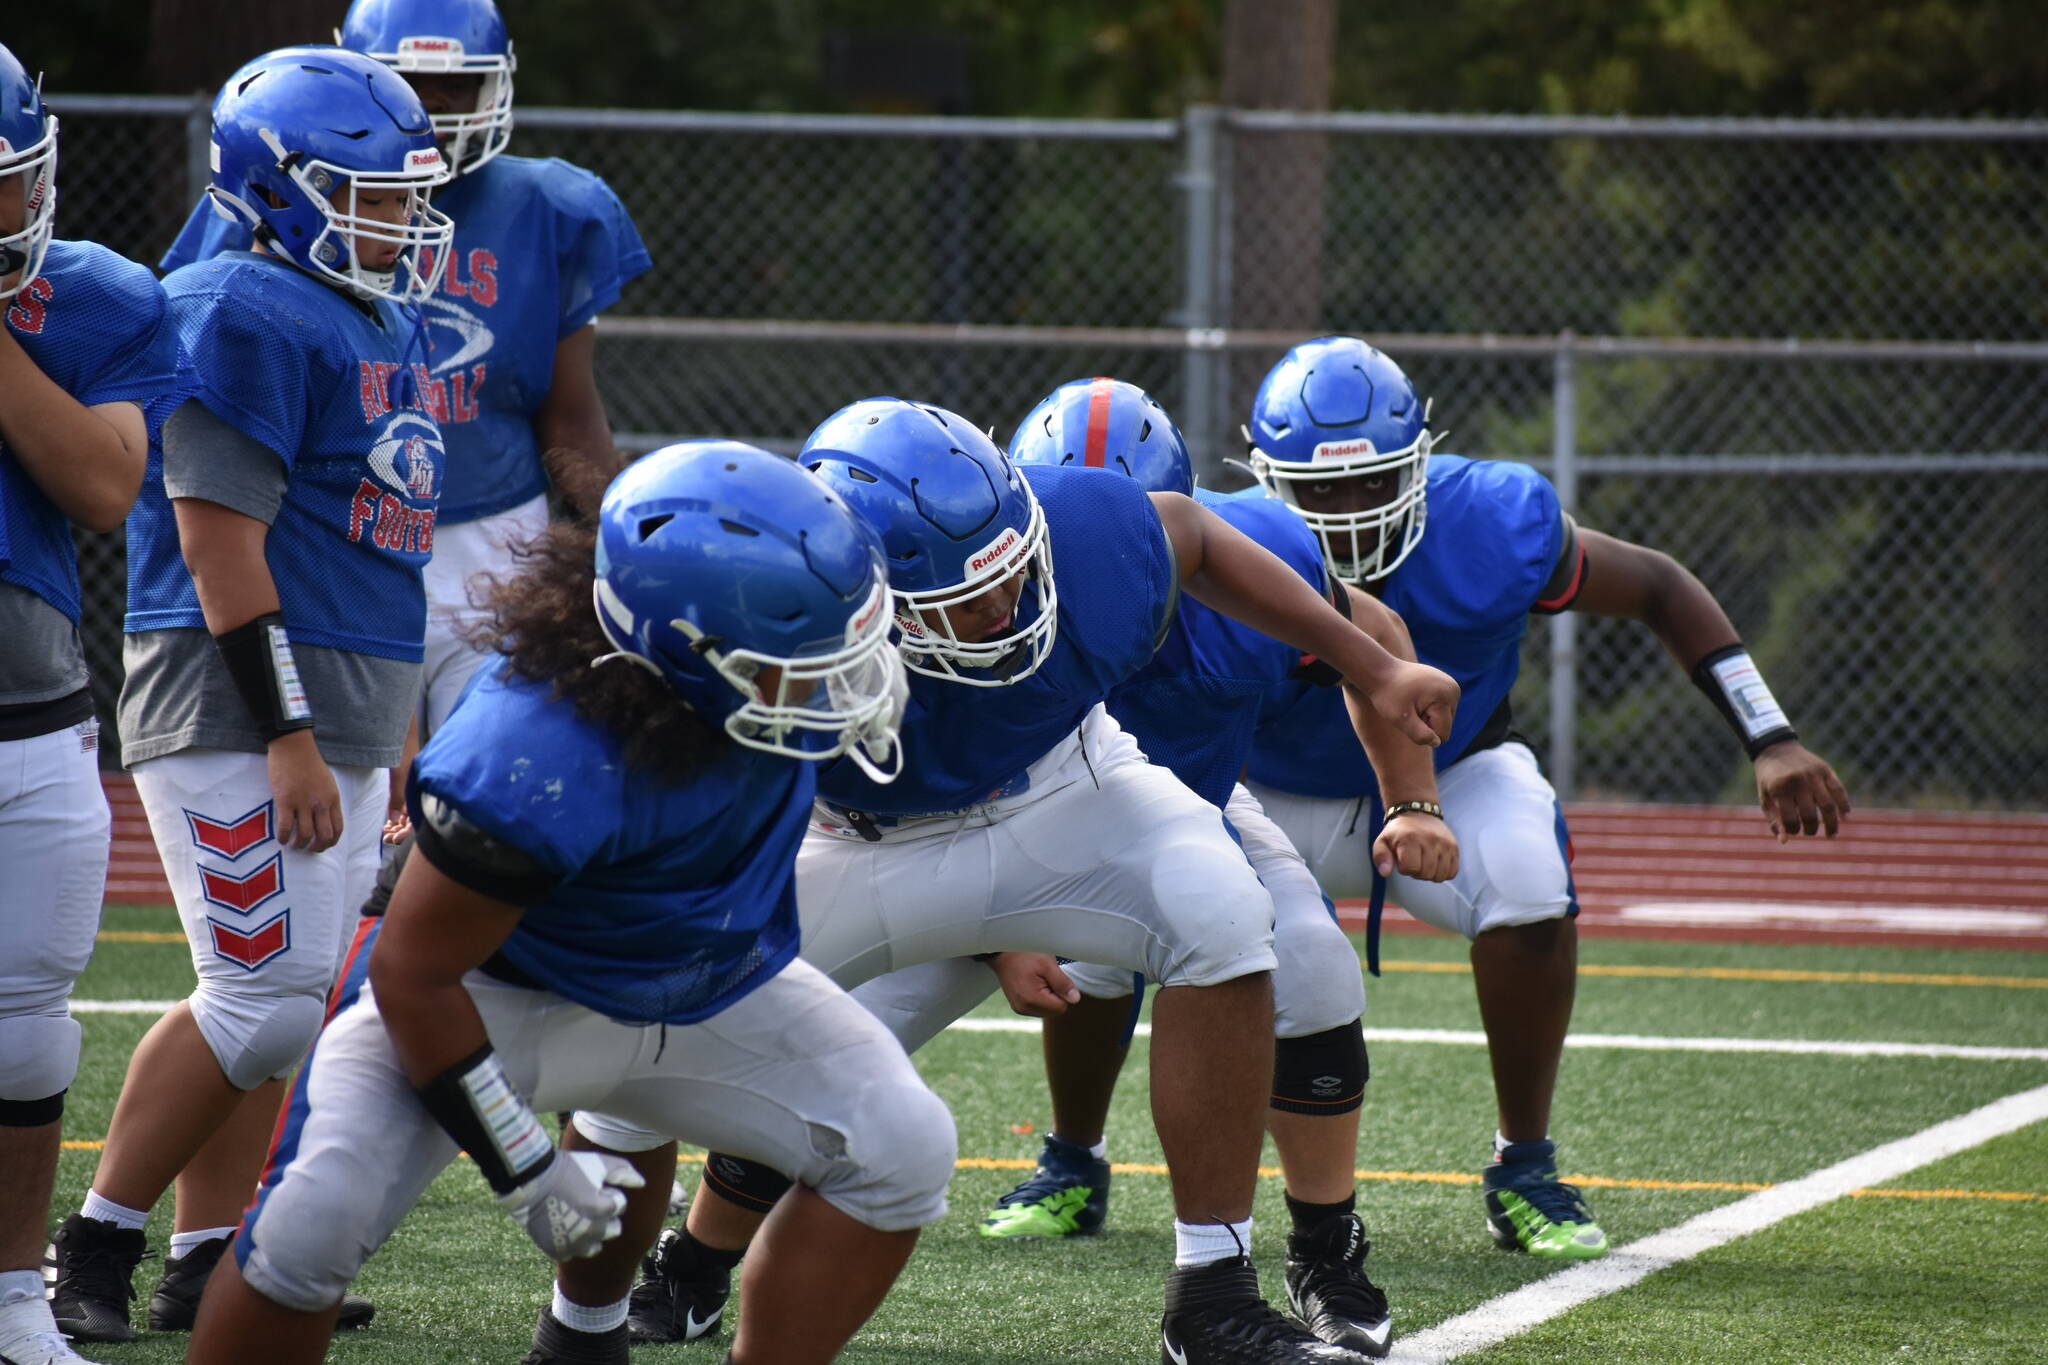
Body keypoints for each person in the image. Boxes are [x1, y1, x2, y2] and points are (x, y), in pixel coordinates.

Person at [568, 397, 1459, 1365]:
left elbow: (1191, 535)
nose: (1005, 610)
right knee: (638, 1048)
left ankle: (1212, 1296)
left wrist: (1372, 670)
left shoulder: (1083, 534)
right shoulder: (779, 615)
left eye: (1012, 570)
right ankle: (589, 1324)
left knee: (1221, 907)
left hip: (1059, 784)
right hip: (861, 838)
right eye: (967, 599)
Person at [181, 440, 951, 1365]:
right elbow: (415, 975)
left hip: (700, 977)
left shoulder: (737, 673)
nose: (848, 682)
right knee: (310, 1223)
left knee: (902, 1142)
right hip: (494, 992)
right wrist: (524, 1167)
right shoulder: (533, 757)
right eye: (804, 664)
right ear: (683, 656)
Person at [1240, 335, 1852, 1260]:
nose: (1349, 509)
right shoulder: (1232, 536)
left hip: (1451, 771)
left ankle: (1523, 1161)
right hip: (1268, 788)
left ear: (1420, 461)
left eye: (1372, 482)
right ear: (1266, 478)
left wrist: (1769, 734)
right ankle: (1072, 1157)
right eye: (1319, 488)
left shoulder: (1490, 517)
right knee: (1144, 868)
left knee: (1529, 875)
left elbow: (1657, 584)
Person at [45, 47, 452, 1341]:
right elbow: (219, 541)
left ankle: (210, 1257)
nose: (398, 220)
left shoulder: (369, 311)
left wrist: (393, 729)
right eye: (369, 194)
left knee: (291, 1004)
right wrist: (284, 730)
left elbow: (378, 551)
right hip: (235, 701)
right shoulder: (237, 303)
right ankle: (94, 1239)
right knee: (262, 994)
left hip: (342, 699)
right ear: (277, 189)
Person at [952, 376, 1459, 1358]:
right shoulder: (965, 581)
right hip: (992, 816)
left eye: (1126, 543)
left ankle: (1322, 1250)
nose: (1093, 564)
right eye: (1063, 538)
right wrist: (1001, 932)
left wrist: (1411, 802)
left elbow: (1379, 646)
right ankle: (695, 1260)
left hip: (1179, 802)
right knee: (848, 1009)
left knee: (1308, 964)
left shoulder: (1248, 565)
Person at [161, 0, 651, 744]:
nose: (433, 104)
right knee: (345, 783)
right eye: (410, 78)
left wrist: (617, 552)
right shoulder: (271, 198)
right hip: (329, 527)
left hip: (498, 537)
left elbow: (571, 408)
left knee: (480, 775)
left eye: (456, 84)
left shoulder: (554, 206)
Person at [0, 43, 188, 1365]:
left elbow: (106, 485)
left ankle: (14, 1301)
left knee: (23, 1027)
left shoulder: (98, 297)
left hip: (34, 714)